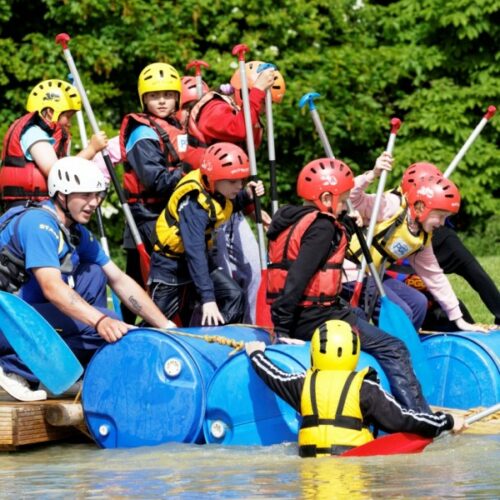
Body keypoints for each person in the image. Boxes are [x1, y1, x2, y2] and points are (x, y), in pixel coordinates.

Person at [0, 157, 175, 402]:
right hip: (6, 320)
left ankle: (67, 369)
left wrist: (166, 326)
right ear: (61, 195)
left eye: (97, 195)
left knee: (94, 272)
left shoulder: (75, 231)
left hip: (22, 313)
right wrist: (101, 321)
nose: (94, 203)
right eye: (85, 195)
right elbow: (52, 288)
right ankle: (14, 367)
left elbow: (119, 279)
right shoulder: (38, 224)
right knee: (109, 323)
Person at [266, 157, 430, 412]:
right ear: (325, 199)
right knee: (394, 347)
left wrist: (347, 226)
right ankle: (418, 416)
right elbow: (298, 277)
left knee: (359, 313)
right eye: (342, 200)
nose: (344, 205)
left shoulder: (294, 219)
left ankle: (372, 397)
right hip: (314, 317)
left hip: (312, 311)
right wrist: (283, 329)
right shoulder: (321, 227)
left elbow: (317, 258)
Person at [245, 320, 466, 457]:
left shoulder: (303, 385)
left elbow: (273, 376)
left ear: (315, 350)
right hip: (356, 466)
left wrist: (256, 354)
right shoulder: (365, 389)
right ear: (354, 353)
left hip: (311, 472)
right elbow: (405, 419)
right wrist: (446, 421)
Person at [187, 61, 284, 322]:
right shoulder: (214, 108)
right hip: (207, 210)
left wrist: (256, 210)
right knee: (226, 279)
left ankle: (257, 328)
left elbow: (240, 172)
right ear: (245, 91)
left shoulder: (246, 113)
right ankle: (221, 333)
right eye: (264, 102)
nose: (263, 110)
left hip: (233, 207)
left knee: (253, 268)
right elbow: (237, 128)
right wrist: (255, 94)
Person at [343, 158, 488, 333]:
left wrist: (459, 320)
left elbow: (435, 277)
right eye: (440, 216)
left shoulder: (422, 238)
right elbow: (352, 199)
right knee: (401, 310)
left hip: (374, 275)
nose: (442, 223)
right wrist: (372, 175)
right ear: (421, 207)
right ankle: (391, 348)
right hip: (350, 272)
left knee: (419, 303)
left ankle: (408, 346)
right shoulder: (391, 205)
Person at [119, 62, 202, 322]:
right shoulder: (142, 132)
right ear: (144, 99)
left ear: (177, 97)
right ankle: (132, 327)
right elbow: (156, 181)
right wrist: (190, 169)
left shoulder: (177, 126)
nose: (162, 101)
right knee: (140, 278)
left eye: (167, 95)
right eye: (155, 96)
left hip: (168, 212)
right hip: (145, 216)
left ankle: (178, 321)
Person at [149, 142, 264, 327]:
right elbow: (194, 251)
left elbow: (224, 208)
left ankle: (216, 341)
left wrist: (247, 195)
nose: (239, 185)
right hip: (171, 266)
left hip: (197, 261)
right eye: (233, 181)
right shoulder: (193, 204)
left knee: (235, 296)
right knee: (158, 318)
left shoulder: (216, 191)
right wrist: (208, 298)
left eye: (242, 180)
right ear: (213, 179)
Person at [0, 79, 107, 211]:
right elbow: (57, 172)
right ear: (51, 112)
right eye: (68, 116)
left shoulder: (48, 137)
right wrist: (91, 150)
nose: (69, 123)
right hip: (27, 207)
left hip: (40, 205)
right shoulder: (32, 133)